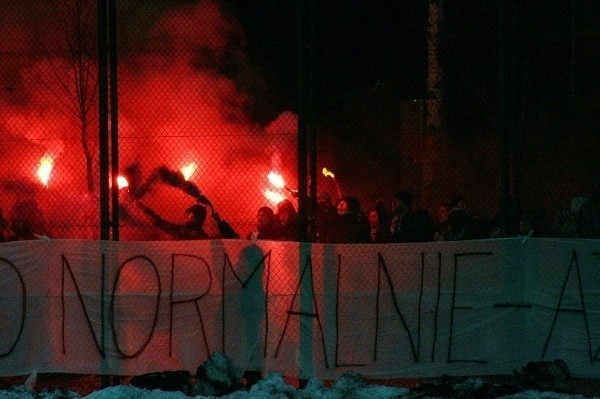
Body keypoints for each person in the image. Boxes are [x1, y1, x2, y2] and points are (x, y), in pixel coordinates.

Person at [137, 202, 238, 240]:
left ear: (193, 217)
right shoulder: (205, 236)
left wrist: (145, 210)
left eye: (189, 214)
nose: (186, 216)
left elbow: (162, 224)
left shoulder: (184, 231)